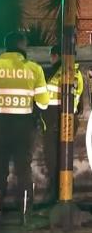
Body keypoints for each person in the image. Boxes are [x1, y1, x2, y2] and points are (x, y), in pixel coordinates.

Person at [0, 32, 49, 225]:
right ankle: (26, 216)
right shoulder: (34, 69)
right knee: (24, 171)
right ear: (23, 46)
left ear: (6, 47)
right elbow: (43, 103)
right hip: (22, 127)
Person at [42, 45, 84, 204]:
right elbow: (80, 105)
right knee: (65, 161)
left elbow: (41, 99)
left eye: (51, 56)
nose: (50, 59)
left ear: (57, 56)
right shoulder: (77, 73)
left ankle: (56, 198)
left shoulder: (51, 73)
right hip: (69, 122)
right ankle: (66, 195)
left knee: (53, 162)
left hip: (53, 123)